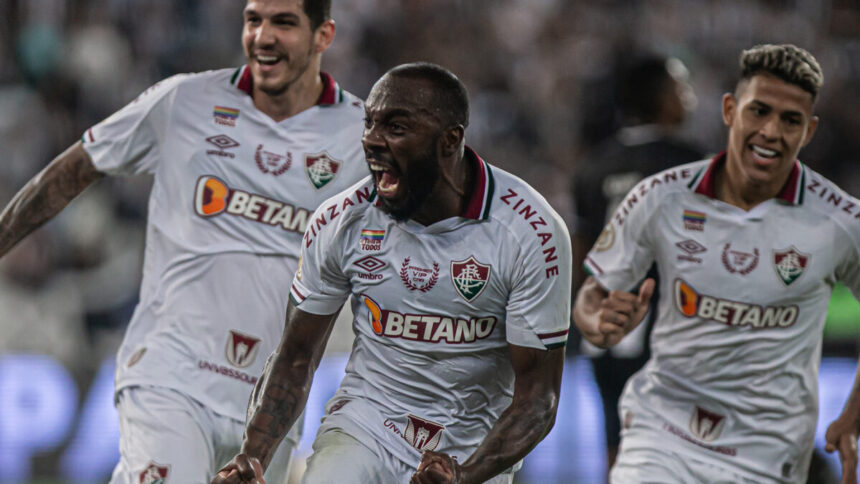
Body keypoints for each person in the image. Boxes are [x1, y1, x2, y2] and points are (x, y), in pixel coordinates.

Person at [0, 1, 369, 482]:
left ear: (324, 36)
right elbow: (76, 168)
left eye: (284, 23)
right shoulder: (184, 101)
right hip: (170, 376)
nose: (263, 36)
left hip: (272, 408)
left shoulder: (362, 137)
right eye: (254, 20)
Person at [212, 62, 571, 484]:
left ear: (449, 140)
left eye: (395, 127)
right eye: (370, 123)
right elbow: (295, 358)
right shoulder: (341, 221)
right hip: (367, 423)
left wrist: (465, 475)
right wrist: (251, 459)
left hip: (472, 446)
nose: (371, 140)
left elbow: (538, 398)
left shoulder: (531, 232)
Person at [573, 43, 860, 483]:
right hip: (663, 434)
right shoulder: (661, 192)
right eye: (758, 111)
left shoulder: (838, 220)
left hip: (768, 451)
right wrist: (595, 321)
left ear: (809, 131)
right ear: (730, 110)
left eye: (790, 120)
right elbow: (593, 288)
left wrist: (854, 412)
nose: (770, 131)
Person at [570, 54, 703, 475]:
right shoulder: (691, 162)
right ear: (662, 98)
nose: (690, 98)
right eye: (681, 88)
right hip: (670, 324)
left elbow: (583, 251)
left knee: (616, 441)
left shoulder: (593, 166)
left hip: (605, 328)